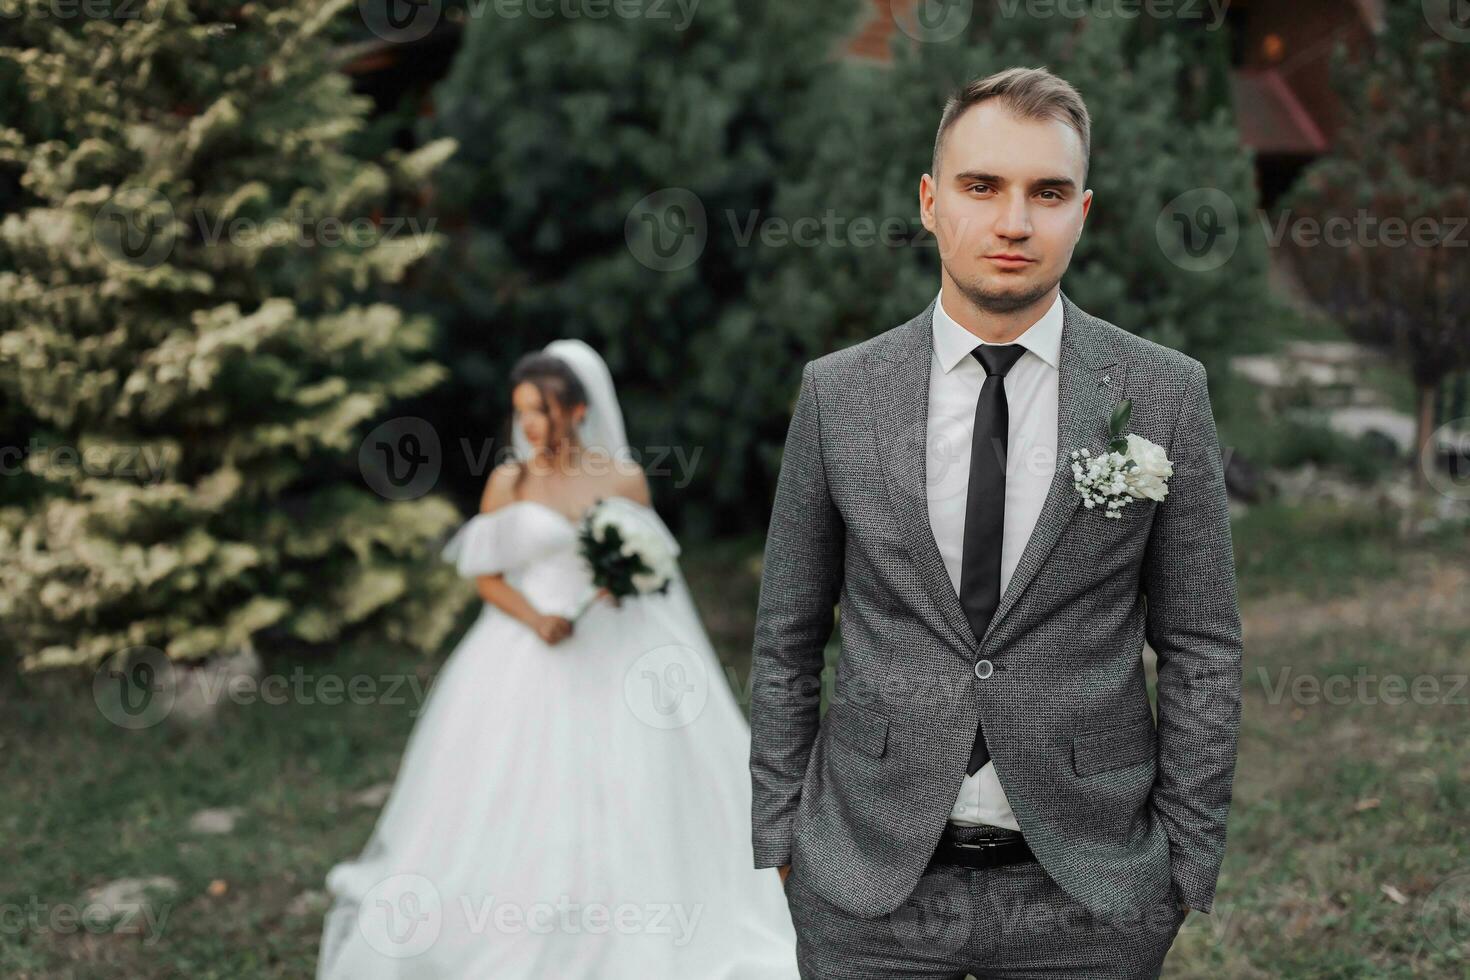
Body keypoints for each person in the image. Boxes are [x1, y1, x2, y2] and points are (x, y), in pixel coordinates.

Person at [749, 67, 1243, 978]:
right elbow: (786, 632)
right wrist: (784, 834)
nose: (1015, 221)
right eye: (983, 186)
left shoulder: (1165, 392)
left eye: (1046, 192)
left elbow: (1203, 643)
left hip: (1091, 893)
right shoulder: (839, 393)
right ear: (932, 203)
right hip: (866, 886)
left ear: (1082, 211)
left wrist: (1183, 862)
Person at [318, 339, 798, 978]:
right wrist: (535, 618)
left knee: (639, 777)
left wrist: (619, 580)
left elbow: (652, 566)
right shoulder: (509, 480)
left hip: (618, 645)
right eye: (522, 413)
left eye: (542, 411)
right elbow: (487, 578)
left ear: (576, 410)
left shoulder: (620, 477)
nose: (531, 427)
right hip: (525, 647)